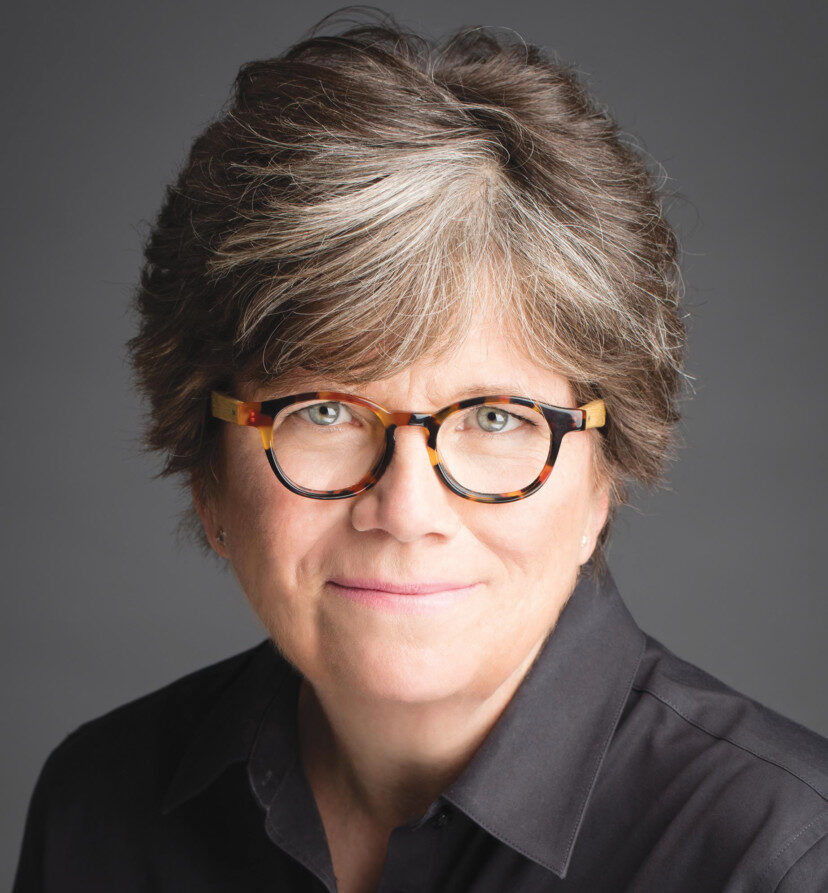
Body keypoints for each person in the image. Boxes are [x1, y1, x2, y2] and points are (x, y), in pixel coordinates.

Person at [12, 10, 827, 892]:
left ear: (604, 479)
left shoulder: (779, 856)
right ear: (207, 474)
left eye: (497, 418)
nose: (405, 509)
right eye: (324, 411)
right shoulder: (98, 807)